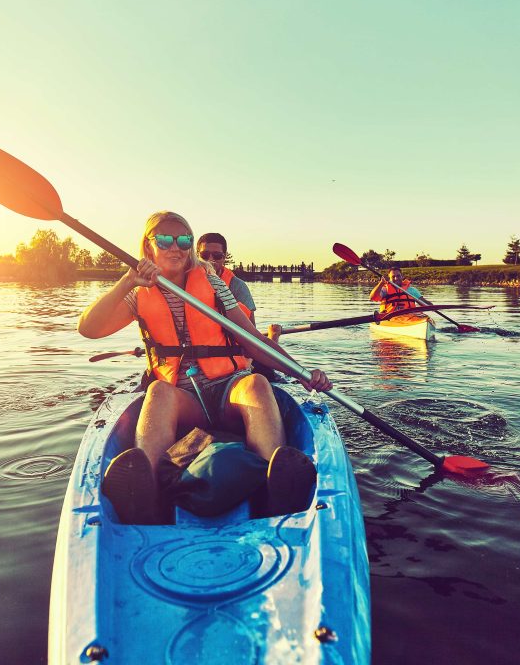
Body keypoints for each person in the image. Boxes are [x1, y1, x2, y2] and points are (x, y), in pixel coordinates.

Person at [78, 211, 331, 525]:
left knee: (256, 385)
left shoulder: (213, 283)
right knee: (158, 390)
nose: (176, 247)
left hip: (228, 390)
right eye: (165, 239)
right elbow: (89, 328)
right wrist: (126, 280)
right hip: (186, 403)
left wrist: (303, 374)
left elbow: (253, 341)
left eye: (183, 239)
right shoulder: (137, 292)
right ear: (148, 246)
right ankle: (148, 492)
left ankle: (273, 484)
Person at [197, 232, 256, 324]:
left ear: (224, 258)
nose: (210, 260)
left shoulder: (238, 286)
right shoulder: (183, 281)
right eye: (205, 255)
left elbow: (251, 329)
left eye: (217, 256)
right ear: (197, 256)